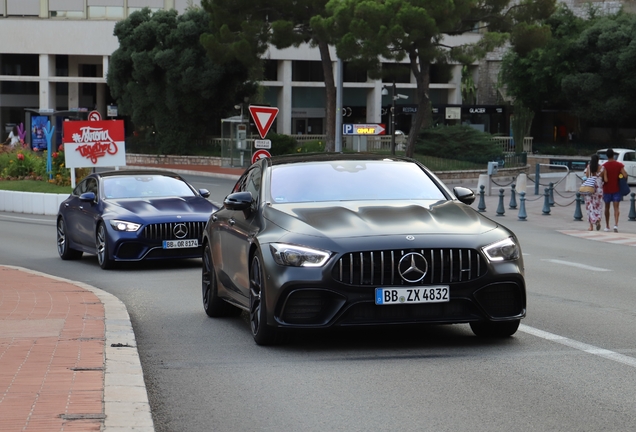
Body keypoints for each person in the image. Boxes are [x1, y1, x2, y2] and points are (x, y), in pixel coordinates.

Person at [601, 148, 628, 232]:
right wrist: (619, 176)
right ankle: (615, 225)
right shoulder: (619, 165)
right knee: (616, 208)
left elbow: (602, 178)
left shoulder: (604, 166)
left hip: (606, 189)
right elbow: (625, 175)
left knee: (606, 208)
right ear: (614, 155)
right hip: (616, 188)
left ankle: (607, 225)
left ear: (607, 156)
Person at [584, 154, 604, 231]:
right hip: (598, 189)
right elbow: (605, 179)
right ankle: (598, 218)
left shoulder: (589, 167)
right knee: (598, 205)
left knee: (590, 206)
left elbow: (586, 176)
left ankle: (591, 226)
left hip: (590, 188)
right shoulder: (602, 168)